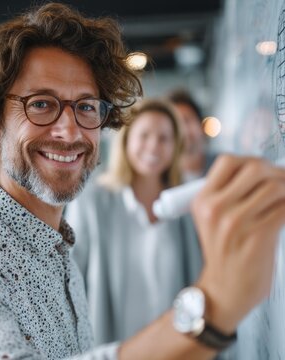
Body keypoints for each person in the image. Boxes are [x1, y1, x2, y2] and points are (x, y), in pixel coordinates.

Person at [0, 3, 285, 359]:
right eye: (41, 105)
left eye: (86, 107)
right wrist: (212, 308)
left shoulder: (56, 244)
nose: (70, 132)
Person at [65, 98, 203, 345]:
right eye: (145, 135)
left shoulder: (186, 207)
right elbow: (71, 281)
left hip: (174, 350)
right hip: (113, 349)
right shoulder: (92, 201)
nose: (154, 146)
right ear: (126, 141)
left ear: (176, 147)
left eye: (164, 138)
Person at [167, 89, 216, 181]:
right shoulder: (160, 181)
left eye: (187, 120)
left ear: (201, 124)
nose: (183, 131)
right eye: (174, 124)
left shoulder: (222, 164)